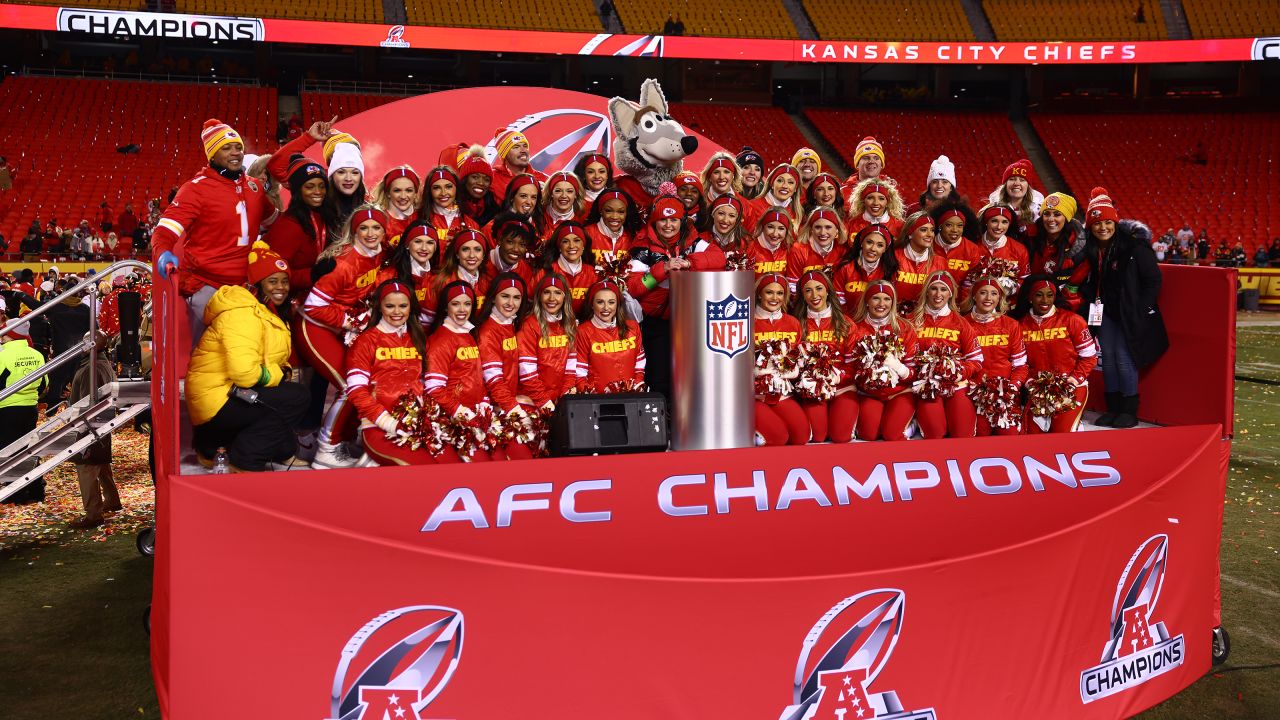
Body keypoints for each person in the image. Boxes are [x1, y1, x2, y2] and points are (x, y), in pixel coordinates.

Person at [151, 118, 278, 339]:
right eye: (226, 148)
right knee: (211, 352)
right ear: (212, 155)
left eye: (238, 147)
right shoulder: (194, 190)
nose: (235, 152)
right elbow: (165, 232)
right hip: (207, 286)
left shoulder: (254, 187)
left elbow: (276, 222)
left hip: (245, 286)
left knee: (244, 349)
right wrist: (162, 252)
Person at [186, 280, 310, 472]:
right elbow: (244, 373)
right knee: (296, 397)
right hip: (217, 400)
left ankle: (213, 446)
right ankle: (246, 458)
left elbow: (263, 357)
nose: (281, 287)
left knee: (282, 427)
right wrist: (278, 374)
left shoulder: (258, 311)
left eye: (286, 281)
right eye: (272, 281)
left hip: (221, 396)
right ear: (258, 286)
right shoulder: (243, 315)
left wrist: (279, 372)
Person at [298, 206, 386, 468]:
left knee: (367, 381)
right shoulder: (343, 263)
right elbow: (313, 306)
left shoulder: (381, 254)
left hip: (343, 328)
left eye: (376, 228)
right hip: (316, 327)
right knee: (352, 386)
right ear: (354, 230)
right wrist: (350, 320)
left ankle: (344, 441)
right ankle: (327, 448)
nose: (370, 234)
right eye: (364, 228)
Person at [1078, 188, 1167, 428]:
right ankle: (1113, 407)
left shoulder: (1134, 248)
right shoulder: (1091, 249)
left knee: (1124, 359)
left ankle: (1128, 409)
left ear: (1116, 223)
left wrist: (1140, 308)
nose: (1102, 228)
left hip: (1127, 314)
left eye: (1108, 222)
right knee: (1107, 358)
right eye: (1097, 223)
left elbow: (1153, 280)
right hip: (1103, 312)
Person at [345, 280, 458, 466]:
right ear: (380, 307)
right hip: (379, 427)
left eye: (403, 306)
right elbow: (356, 391)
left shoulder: (418, 337)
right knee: (424, 468)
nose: (397, 312)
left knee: (453, 466)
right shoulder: (365, 341)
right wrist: (389, 423)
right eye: (390, 306)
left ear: (410, 307)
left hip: (421, 424)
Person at [627, 194, 694, 400]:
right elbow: (634, 287)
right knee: (659, 379)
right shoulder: (641, 246)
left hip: (687, 322)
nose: (668, 225)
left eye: (673, 220)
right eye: (662, 220)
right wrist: (662, 269)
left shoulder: (692, 240)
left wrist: (690, 263)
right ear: (654, 222)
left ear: (681, 222)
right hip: (654, 323)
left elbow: (717, 258)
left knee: (688, 379)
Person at [1017, 277, 1097, 434]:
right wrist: (1030, 383)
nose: (1045, 300)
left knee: (1062, 434)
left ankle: (1075, 428)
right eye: (1039, 295)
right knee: (1031, 435)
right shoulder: (1020, 326)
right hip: (1038, 390)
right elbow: (1019, 363)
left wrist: (1073, 380)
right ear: (1030, 298)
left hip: (1071, 388)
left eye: (1050, 295)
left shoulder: (1072, 320)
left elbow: (1089, 357)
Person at [424, 280, 493, 462]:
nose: (462, 309)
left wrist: (484, 404)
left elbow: (477, 378)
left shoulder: (469, 335)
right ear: (446, 308)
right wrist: (461, 412)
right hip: (451, 422)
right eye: (455, 303)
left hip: (474, 417)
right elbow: (434, 389)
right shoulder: (440, 340)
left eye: (467, 303)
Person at [911, 271, 982, 439]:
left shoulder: (961, 322)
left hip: (956, 385)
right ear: (926, 291)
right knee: (935, 433)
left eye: (943, 290)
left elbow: (976, 359)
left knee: (962, 434)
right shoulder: (911, 321)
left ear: (950, 294)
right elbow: (905, 357)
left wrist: (957, 373)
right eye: (934, 289)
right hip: (925, 387)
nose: (938, 294)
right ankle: (913, 420)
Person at [475, 273, 536, 461]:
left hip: (506, 404)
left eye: (516, 297)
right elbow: (494, 382)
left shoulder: (510, 324)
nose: (511, 303)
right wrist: (515, 410)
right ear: (493, 297)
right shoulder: (488, 332)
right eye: (505, 296)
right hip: (493, 410)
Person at [794, 269, 860, 443]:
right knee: (818, 436)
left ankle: (850, 422)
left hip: (843, 389)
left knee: (840, 436)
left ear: (828, 290)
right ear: (802, 295)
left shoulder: (845, 324)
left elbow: (856, 365)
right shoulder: (796, 324)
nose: (814, 295)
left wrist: (836, 377)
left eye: (819, 288)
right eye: (808, 290)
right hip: (812, 392)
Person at [851, 280, 917, 441]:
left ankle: (914, 424)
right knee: (869, 434)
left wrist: (898, 367)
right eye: (876, 298)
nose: (881, 304)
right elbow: (850, 368)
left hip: (900, 392)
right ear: (867, 301)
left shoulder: (905, 328)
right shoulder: (855, 329)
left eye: (887, 299)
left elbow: (914, 373)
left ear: (893, 303)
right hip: (869, 394)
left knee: (892, 434)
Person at [963, 275, 1027, 436]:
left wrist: (1011, 389)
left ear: (1000, 298)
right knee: (981, 435)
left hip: (1005, 395)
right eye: (983, 292)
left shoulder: (1011, 325)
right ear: (974, 296)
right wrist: (972, 388)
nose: (988, 298)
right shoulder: (962, 324)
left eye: (994, 293)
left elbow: (1020, 366)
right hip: (974, 395)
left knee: (1010, 435)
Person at [68, 332, 120, 528]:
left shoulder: (92, 367)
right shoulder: (101, 364)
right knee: (101, 463)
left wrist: (82, 426)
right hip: (101, 422)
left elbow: (88, 402)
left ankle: (93, 514)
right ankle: (112, 500)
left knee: (87, 466)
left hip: (92, 424)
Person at [752, 273, 807, 445]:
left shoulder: (792, 323)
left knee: (801, 437)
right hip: (754, 395)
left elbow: (798, 358)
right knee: (778, 437)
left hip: (782, 393)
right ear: (760, 294)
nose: (775, 298)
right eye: (769, 292)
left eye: (780, 293)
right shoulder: (746, 321)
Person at [264, 153, 329, 299]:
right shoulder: (288, 226)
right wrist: (312, 274)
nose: (318, 192)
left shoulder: (325, 216)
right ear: (298, 191)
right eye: (310, 187)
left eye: (322, 186)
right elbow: (272, 275)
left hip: (317, 295)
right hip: (288, 303)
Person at [0, 318, 47, 504]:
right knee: (29, 449)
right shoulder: (36, 354)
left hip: (6, 408)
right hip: (30, 408)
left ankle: (15, 492)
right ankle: (36, 489)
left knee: (8, 450)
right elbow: (44, 384)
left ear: (11, 334)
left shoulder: (3, 355)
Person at [517, 274, 578, 410]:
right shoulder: (529, 325)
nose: (552, 298)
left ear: (565, 297)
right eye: (546, 292)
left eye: (557, 293)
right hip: (532, 402)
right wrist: (547, 404)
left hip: (558, 402)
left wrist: (564, 400)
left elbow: (570, 371)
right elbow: (528, 375)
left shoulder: (570, 325)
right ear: (539, 296)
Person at [575, 280, 645, 392]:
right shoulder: (583, 331)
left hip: (630, 398)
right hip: (598, 401)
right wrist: (592, 400)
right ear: (592, 305)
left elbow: (639, 363)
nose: (606, 308)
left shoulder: (633, 327)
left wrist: (636, 388)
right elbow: (580, 373)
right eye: (600, 302)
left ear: (617, 304)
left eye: (611, 302)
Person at [833, 224, 897, 314]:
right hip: (849, 322)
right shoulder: (844, 268)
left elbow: (889, 305)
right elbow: (838, 303)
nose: (873, 249)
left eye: (880, 245)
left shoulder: (890, 270)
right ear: (861, 243)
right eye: (869, 242)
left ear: (885, 249)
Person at [537, 221, 597, 315]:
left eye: (577, 240)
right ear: (559, 247)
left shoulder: (594, 274)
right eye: (565, 241)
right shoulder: (544, 272)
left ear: (584, 245)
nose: (571, 246)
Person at [891, 211, 947, 310]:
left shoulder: (940, 263)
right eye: (924, 230)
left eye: (932, 230)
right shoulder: (893, 257)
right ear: (910, 233)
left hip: (924, 318)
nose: (930, 235)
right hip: (894, 316)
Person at [419, 166, 478, 250]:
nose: (443, 193)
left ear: (456, 189)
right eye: (436, 188)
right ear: (429, 191)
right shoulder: (417, 218)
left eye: (448, 187)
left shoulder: (472, 225)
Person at [786, 207, 846, 290]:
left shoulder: (843, 250)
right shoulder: (798, 250)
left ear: (837, 230)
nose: (822, 233)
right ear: (811, 229)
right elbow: (793, 286)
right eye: (818, 227)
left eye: (828, 227)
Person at [987, 159, 1043, 242]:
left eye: (1022, 180)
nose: (1017, 183)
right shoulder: (993, 207)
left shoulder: (1038, 211)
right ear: (1005, 185)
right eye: (1012, 179)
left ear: (1028, 186)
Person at [585, 188, 641, 266]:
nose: (615, 217)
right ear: (601, 210)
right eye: (608, 210)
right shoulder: (586, 234)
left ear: (626, 213)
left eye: (621, 212)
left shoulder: (633, 237)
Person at [489, 127, 548, 199]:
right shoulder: (492, 178)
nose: (523, 150)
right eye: (516, 147)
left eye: (525, 146)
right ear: (504, 154)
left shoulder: (544, 179)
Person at [372, 165, 421, 243]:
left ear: (415, 193)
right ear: (388, 193)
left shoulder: (424, 217)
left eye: (409, 190)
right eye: (397, 190)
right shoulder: (378, 220)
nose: (403, 196)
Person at [457, 145, 500, 228]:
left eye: (486, 179)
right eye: (475, 177)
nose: (481, 183)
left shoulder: (495, 211)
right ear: (465, 180)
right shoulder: (452, 207)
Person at [538, 170, 585, 242]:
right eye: (558, 191)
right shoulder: (538, 214)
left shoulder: (582, 221)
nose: (563, 196)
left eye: (569, 191)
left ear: (576, 194)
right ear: (551, 193)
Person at [746, 207, 793, 280]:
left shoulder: (789, 248)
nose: (775, 234)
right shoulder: (748, 247)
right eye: (770, 227)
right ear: (763, 227)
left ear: (787, 231)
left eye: (781, 228)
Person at [840, 136, 886, 201]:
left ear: (881, 164)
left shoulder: (892, 190)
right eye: (866, 158)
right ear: (857, 164)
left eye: (876, 158)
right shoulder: (842, 193)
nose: (871, 161)